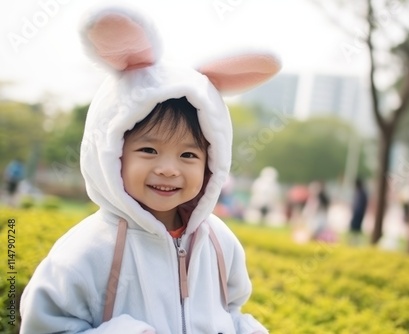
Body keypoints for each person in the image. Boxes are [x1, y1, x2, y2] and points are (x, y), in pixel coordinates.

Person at [20, 7, 280, 334]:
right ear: (112, 154)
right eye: (149, 150)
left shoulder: (219, 241)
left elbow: (229, 310)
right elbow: (43, 327)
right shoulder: (86, 251)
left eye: (188, 154)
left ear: (212, 162)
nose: (169, 169)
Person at [348, 178, 368, 245]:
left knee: (355, 228)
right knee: (355, 228)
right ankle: (354, 242)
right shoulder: (360, 192)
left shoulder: (361, 193)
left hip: (358, 214)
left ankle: (354, 242)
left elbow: (359, 206)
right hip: (358, 213)